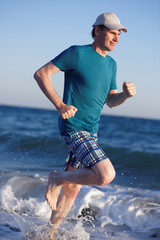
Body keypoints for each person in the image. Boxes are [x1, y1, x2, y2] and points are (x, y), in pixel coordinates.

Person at [34, 12, 136, 237]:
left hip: (91, 131)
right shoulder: (77, 53)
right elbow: (41, 74)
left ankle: (49, 233)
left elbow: (110, 101)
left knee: (72, 189)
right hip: (73, 127)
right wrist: (60, 105)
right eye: (112, 32)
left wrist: (125, 96)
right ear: (97, 30)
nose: (116, 38)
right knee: (105, 175)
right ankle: (56, 178)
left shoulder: (111, 65)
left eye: (119, 34)